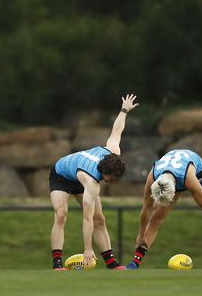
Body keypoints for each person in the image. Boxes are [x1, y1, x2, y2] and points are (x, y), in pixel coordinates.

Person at [49, 94, 138, 270]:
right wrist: (87, 250)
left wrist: (124, 110)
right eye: (112, 178)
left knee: (100, 219)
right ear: (104, 172)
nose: (113, 181)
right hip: (62, 175)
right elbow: (86, 218)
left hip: (79, 173)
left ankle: (111, 263)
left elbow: (116, 131)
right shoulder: (92, 182)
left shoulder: (113, 150)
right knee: (61, 215)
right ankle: (57, 263)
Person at [126, 148, 202, 270]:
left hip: (194, 169)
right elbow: (146, 209)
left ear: (174, 191)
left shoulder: (189, 179)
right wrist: (141, 234)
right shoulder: (152, 177)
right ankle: (135, 263)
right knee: (157, 217)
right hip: (172, 174)